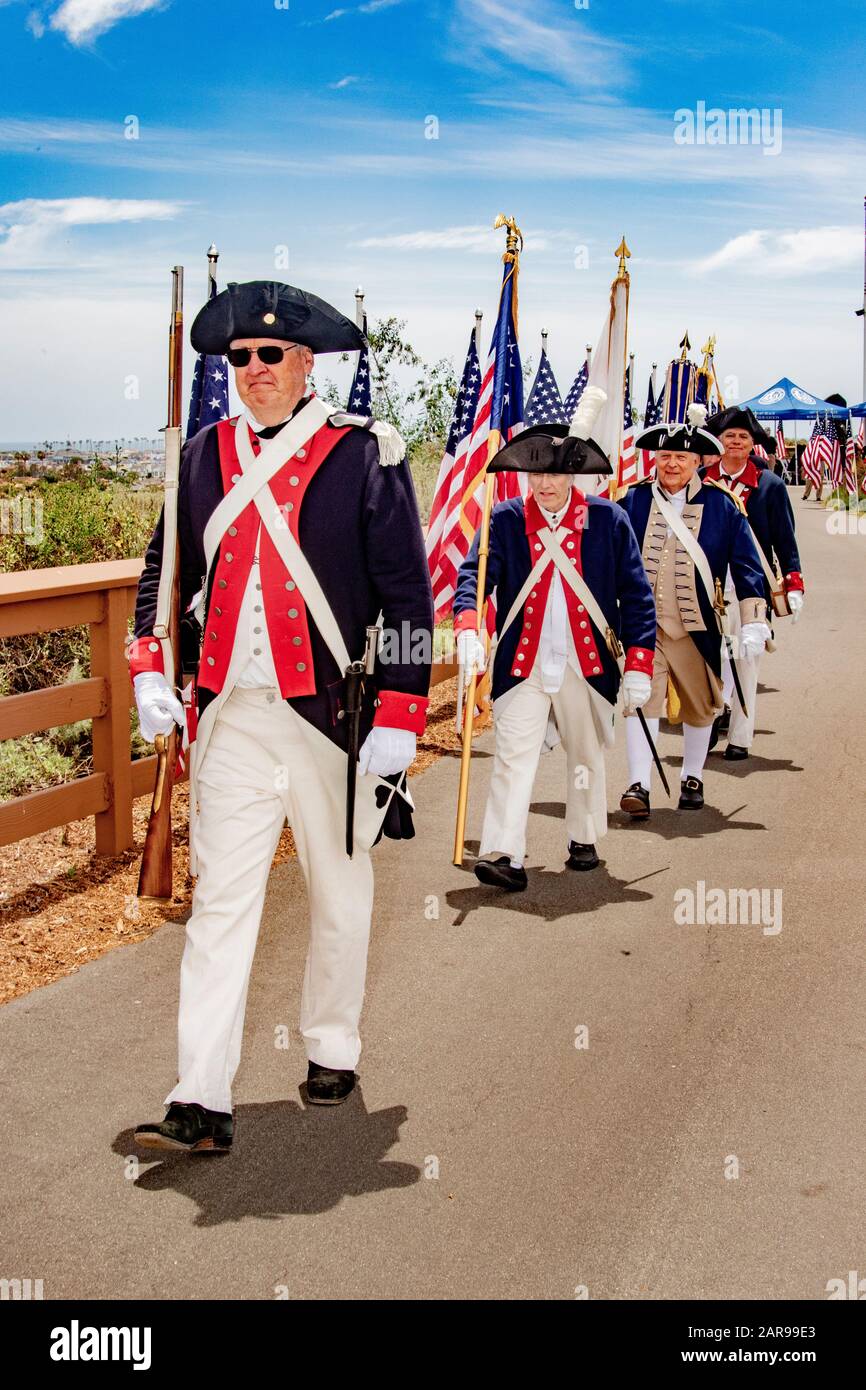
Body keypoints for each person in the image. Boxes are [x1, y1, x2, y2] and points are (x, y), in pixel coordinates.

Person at [130, 280, 434, 1152]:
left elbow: (406, 593)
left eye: (272, 356)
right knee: (221, 907)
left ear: (306, 365)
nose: (255, 370)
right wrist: (151, 670)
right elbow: (166, 575)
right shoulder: (197, 458)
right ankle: (200, 1096)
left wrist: (403, 713)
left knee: (339, 892)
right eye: (241, 359)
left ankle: (332, 1042)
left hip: (330, 717)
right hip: (231, 713)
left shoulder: (365, 453)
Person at [452, 387, 656, 891]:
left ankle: (583, 837)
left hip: (586, 665)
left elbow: (636, 595)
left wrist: (637, 665)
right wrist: (466, 627)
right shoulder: (503, 521)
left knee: (585, 756)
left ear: (573, 474)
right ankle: (505, 852)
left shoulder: (610, 520)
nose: (544, 483)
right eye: (536, 473)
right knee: (511, 756)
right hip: (523, 663)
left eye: (555, 473)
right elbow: (472, 581)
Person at [618, 406, 766, 815]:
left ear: (697, 461)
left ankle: (692, 776)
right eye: (665, 456)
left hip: (696, 624)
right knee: (640, 699)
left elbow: (747, 564)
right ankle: (638, 783)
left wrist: (754, 620)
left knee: (700, 705)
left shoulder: (722, 505)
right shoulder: (631, 500)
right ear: (655, 460)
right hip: (643, 627)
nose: (672, 463)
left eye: (681, 457)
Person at [701, 405, 804, 760]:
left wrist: (793, 583)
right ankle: (715, 712)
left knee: (747, 659)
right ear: (719, 440)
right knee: (710, 658)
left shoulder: (770, 485)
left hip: (752, 587)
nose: (735, 442)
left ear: (751, 444)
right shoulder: (700, 479)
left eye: (743, 437)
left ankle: (740, 738)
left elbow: (784, 538)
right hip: (709, 586)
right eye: (730, 436)